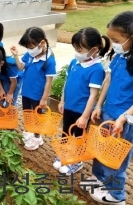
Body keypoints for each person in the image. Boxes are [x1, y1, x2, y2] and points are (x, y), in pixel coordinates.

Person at [87, 11, 133, 205]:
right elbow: (108, 81)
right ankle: (99, 179)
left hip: (124, 119)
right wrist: (98, 105)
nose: (113, 43)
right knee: (101, 147)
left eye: (116, 39)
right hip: (107, 112)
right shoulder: (119, 57)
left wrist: (124, 117)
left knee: (117, 156)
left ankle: (116, 195)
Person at [52, 27, 110, 175]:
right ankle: (64, 155)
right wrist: (62, 101)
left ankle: (76, 162)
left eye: (80, 49)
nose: (77, 52)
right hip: (69, 106)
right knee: (66, 132)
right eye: (75, 48)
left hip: (81, 111)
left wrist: (85, 116)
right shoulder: (74, 62)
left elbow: (93, 95)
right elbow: (67, 82)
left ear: (94, 50)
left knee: (78, 137)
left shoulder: (97, 70)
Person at [11, 27, 56, 151]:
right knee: (27, 114)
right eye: (28, 48)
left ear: (42, 43)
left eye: (31, 47)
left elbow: (48, 82)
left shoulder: (49, 61)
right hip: (26, 92)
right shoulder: (30, 55)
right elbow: (21, 68)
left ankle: (37, 137)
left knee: (37, 117)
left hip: (38, 95)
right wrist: (16, 56)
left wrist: (44, 98)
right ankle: (29, 132)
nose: (29, 50)